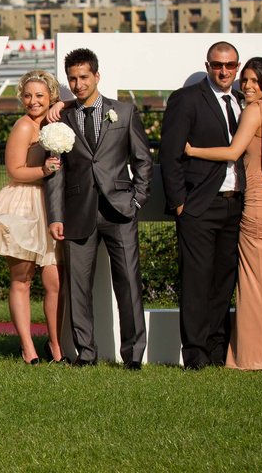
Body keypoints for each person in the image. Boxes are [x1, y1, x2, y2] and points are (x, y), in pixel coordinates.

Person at [183, 57, 262, 371]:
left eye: (254, 81)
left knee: (254, 286)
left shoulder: (253, 110)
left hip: (259, 206)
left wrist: (193, 150)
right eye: (246, 80)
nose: (247, 86)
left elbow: (232, 152)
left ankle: (256, 355)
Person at [44, 48, 153, 369]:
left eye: (84, 78)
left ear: (97, 77)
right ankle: (86, 354)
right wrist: (55, 216)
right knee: (78, 287)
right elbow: (55, 172)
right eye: (73, 79)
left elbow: (143, 160)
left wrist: (137, 199)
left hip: (120, 210)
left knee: (129, 286)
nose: (78, 84)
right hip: (77, 212)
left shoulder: (125, 112)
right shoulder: (60, 119)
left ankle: (133, 356)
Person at [161, 41, 256, 369]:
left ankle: (218, 352)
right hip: (198, 207)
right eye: (218, 65)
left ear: (237, 66)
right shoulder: (186, 100)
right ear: (207, 65)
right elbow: (169, 155)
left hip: (236, 206)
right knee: (196, 283)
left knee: (223, 282)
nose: (224, 71)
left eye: (230, 65)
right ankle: (196, 356)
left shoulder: (245, 101)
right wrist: (179, 203)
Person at [0, 70, 64, 364]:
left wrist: (64, 108)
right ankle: (28, 347)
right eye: (28, 96)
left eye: (40, 96)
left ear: (51, 98)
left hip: (51, 205)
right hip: (24, 202)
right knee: (21, 279)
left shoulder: (57, 121)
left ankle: (56, 344)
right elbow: (14, 170)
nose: (33, 102)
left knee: (54, 282)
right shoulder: (23, 127)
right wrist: (44, 171)